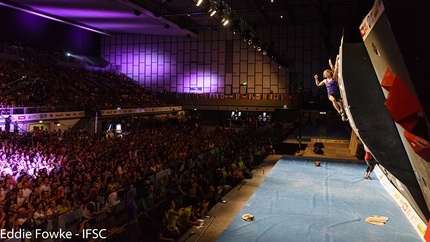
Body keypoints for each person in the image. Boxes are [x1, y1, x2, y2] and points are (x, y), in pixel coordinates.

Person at [314, 56, 347, 121]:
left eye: (325, 73)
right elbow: (318, 84)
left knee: (341, 104)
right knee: (333, 100)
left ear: (328, 73)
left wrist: (337, 59)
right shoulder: (325, 81)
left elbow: (336, 68)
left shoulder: (334, 77)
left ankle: (343, 117)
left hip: (336, 93)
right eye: (324, 74)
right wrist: (316, 78)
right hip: (330, 94)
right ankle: (338, 111)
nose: (325, 75)